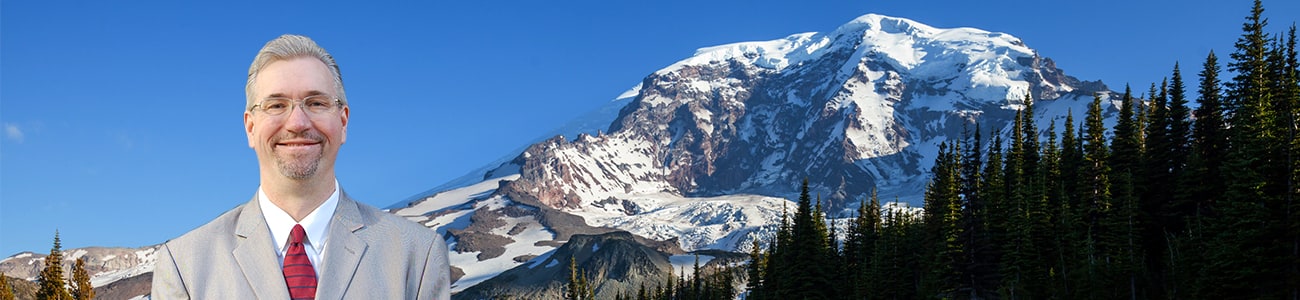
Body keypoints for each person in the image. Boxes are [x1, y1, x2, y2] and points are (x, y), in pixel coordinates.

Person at [151, 34, 451, 299]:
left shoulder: (417, 255)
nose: (297, 122)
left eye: (316, 103)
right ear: (250, 127)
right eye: (276, 105)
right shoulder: (184, 265)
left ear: (343, 122)